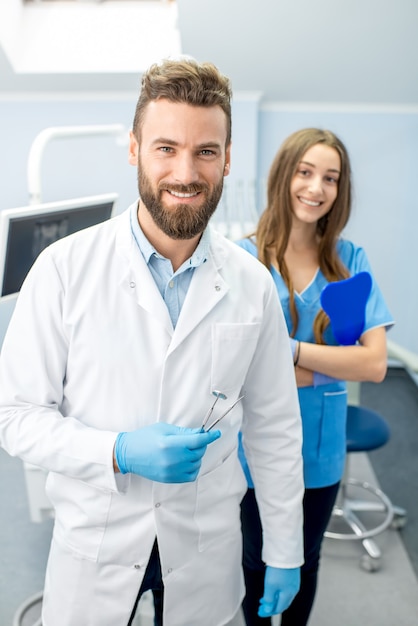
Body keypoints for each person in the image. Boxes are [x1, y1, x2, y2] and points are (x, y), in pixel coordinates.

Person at [0, 58, 304, 626]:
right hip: (97, 545)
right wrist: (116, 451)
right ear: (135, 148)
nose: (186, 173)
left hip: (206, 547)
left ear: (228, 159)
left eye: (206, 152)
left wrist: (285, 551)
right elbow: (14, 415)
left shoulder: (251, 284)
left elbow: (275, 427)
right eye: (166, 148)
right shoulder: (63, 269)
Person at [236, 128, 394, 625]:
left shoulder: (351, 262)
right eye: (305, 172)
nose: (316, 188)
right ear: (284, 176)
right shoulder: (243, 260)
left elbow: (373, 364)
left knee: (306, 560)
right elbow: (234, 365)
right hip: (253, 446)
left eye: (330, 177)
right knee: (255, 564)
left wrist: (289, 351)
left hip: (320, 447)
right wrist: (326, 362)